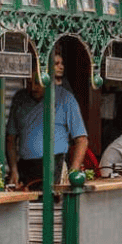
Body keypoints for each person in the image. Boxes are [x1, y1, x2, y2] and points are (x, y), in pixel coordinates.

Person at [6, 49, 87, 186]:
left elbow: (82, 140)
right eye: (29, 83)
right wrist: (14, 170)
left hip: (56, 165)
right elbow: (10, 139)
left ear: (47, 78)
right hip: (26, 166)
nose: (33, 88)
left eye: (37, 83)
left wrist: (73, 172)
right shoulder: (20, 98)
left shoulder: (66, 98)